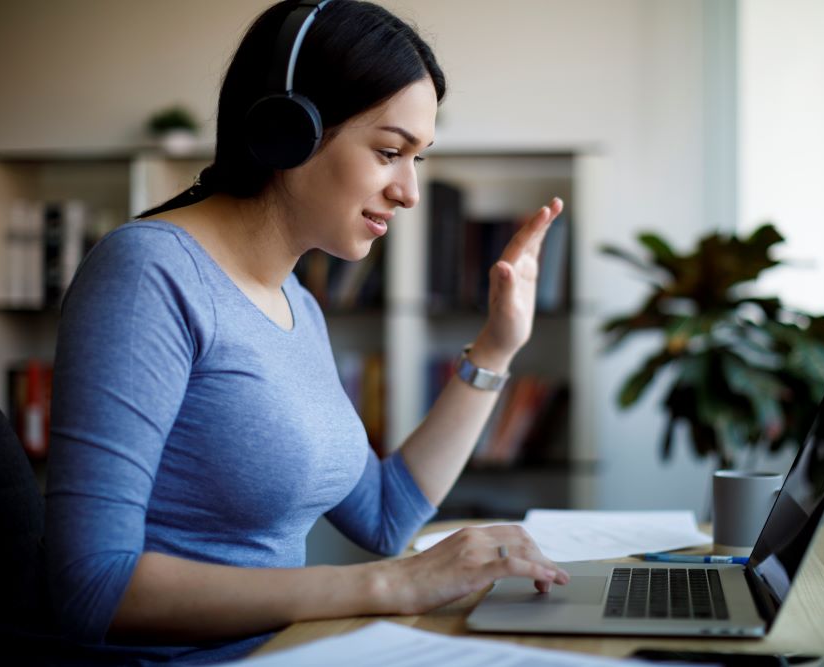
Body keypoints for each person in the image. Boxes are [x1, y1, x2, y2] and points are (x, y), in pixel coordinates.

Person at [43, 0, 568, 663]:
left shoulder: (298, 305)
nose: (408, 190)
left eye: (418, 159)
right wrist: (385, 585)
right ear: (288, 131)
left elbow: (385, 515)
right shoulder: (149, 274)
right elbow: (92, 587)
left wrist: (497, 344)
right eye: (388, 151)